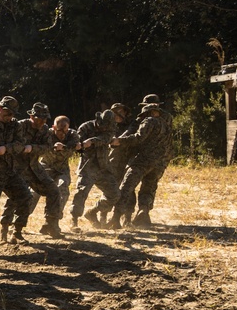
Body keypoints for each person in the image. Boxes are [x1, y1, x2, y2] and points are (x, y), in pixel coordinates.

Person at [108, 96, 174, 228]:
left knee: (126, 187)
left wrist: (119, 141)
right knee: (148, 188)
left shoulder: (146, 121)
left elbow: (137, 137)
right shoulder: (166, 121)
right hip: (160, 162)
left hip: (142, 160)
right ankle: (143, 212)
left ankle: (116, 218)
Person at [0, 103, 63, 239]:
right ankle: (5, 230)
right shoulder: (19, 126)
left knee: (53, 190)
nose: (43, 122)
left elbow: (47, 147)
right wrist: (22, 148)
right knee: (15, 199)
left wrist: (32, 148)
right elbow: (10, 144)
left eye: (45, 119)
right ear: (31, 116)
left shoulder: (44, 129)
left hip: (35, 168)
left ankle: (50, 225)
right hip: (17, 169)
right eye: (40, 119)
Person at [0, 96, 32, 246]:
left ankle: (15, 232)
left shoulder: (16, 125)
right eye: (7, 113)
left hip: (10, 172)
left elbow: (20, 144)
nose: (9, 117)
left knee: (25, 197)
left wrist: (6, 148)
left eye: (12, 114)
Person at [69, 109, 120, 228]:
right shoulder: (86, 127)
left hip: (103, 167)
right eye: (102, 125)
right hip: (88, 167)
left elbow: (106, 139)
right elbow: (77, 144)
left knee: (114, 194)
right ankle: (74, 220)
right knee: (81, 192)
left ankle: (93, 212)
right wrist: (81, 145)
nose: (104, 128)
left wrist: (92, 141)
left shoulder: (111, 128)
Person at [32, 116, 82, 227]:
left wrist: (64, 147)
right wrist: (52, 147)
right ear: (54, 127)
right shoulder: (47, 133)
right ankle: (18, 222)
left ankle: (52, 221)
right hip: (46, 166)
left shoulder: (72, 134)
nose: (63, 133)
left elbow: (76, 145)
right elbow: (40, 148)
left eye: (65, 130)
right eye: (60, 130)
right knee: (34, 192)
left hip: (62, 169)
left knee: (62, 189)